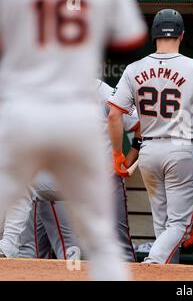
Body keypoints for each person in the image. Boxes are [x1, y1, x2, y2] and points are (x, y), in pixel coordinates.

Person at [0, 0, 147, 280]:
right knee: (99, 237)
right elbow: (132, 40)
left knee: (19, 191)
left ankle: (7, 245)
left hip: (26, 108)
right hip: (77, 114)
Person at [108, 8, 193, 264]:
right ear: (182, 35)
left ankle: (166, 273)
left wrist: (117, 153)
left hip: (148, 150)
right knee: (179, 225)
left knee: (163, 224)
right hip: (180, 148)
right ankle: (154, 264)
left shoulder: (133, 68)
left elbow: (114, 115)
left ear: (154, 35)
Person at [0, 81, 140, 262]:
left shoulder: (102, 90)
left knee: (119, 243)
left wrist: (126, 159)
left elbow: (138, 125)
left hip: (102, 178)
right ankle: (8, 245)